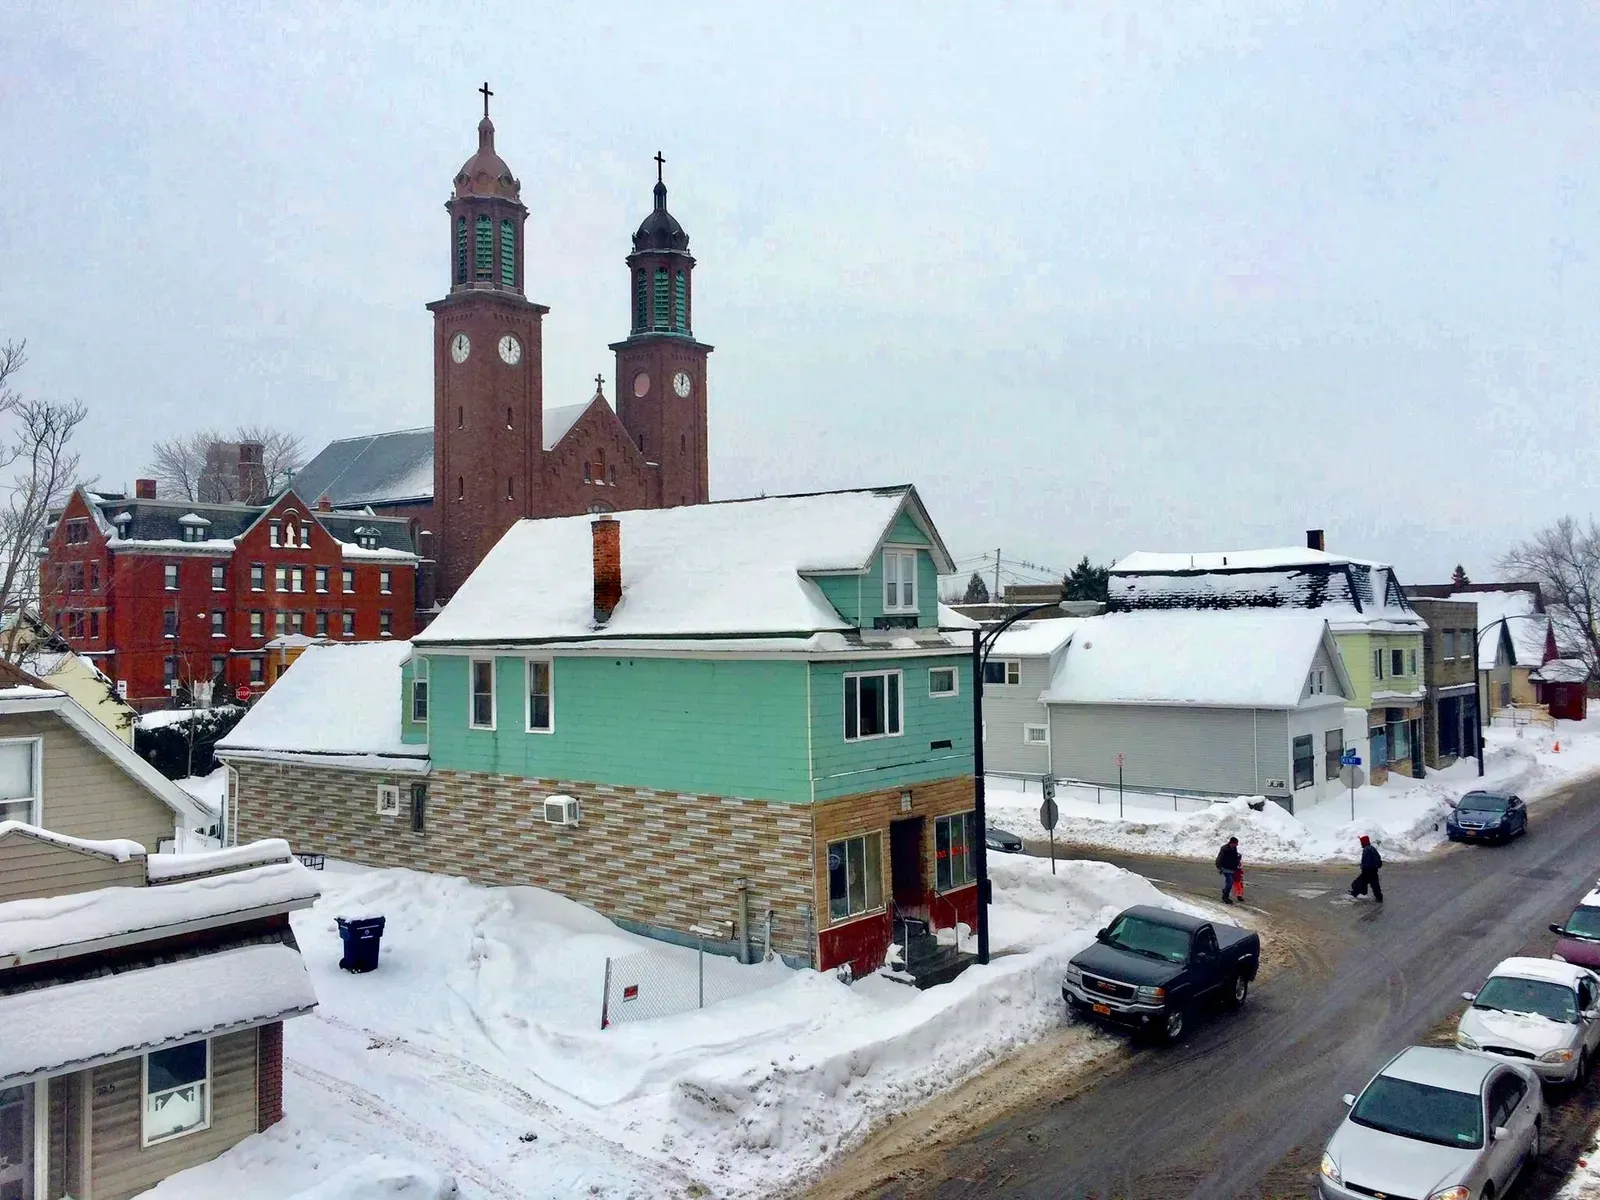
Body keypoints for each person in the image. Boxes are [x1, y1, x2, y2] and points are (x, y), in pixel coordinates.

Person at [1351, 835, 1383, 903]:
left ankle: (1354, 894)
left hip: (1368, 871)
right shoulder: (1372, 848)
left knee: (1358, 883)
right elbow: (1378, 858)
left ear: (1364, 842)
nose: (1361, 843)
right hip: (1373, 870)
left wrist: (1364, 868)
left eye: (1361, 842)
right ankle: (1379, 897)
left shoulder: (1366, 850)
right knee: (1374, 884)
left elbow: (1366, 861)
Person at [1215, 836, 1242, 905]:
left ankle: (1225, 893)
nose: (1237, 845)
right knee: (1230, 881)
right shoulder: (1224, 848)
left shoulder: (1234, 848)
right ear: (1231, 843)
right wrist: (1219, 867)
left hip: (1232, 869)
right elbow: (1219, 858)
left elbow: (1234, 857)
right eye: (1236, 843)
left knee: (1229, 883)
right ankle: (1225, 896)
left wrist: (1238, 860)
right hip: (1225, 868)